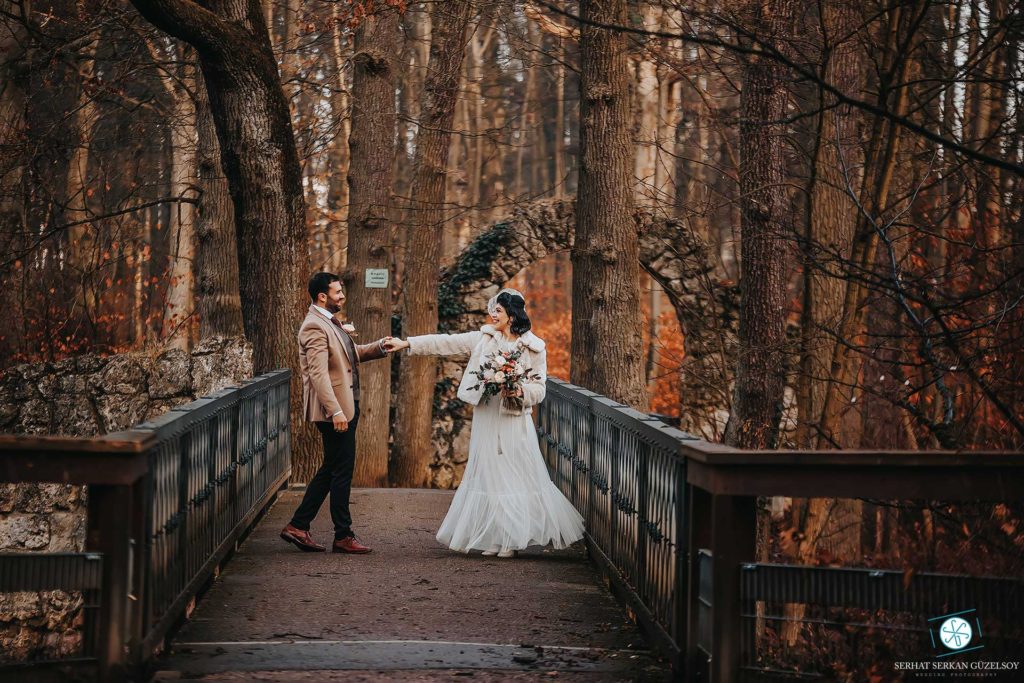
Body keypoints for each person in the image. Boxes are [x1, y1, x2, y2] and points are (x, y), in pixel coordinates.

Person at [384, 288, 584, 558]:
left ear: (512, 315)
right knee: (489, 474)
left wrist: (519, 391)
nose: (493, 314)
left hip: (513, 420)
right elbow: (446, 343)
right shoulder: (483, 339)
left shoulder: (534, 347)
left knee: (511, 475)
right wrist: (408, 344)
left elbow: (540, 389)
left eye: (498, 311)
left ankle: (511, 540)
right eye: (493, 310)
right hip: (487, 416)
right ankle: (496, 536)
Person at [279, 272, 391, 554]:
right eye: (338, 292)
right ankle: (343, 535)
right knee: (341, 471)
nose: (342, 296)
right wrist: (336, 412)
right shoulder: (314, 327)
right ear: (322, 296)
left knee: (331, 469)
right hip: (335, 411)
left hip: (344, 406)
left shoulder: (329, 322)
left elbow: (349, 357)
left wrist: (380, 347)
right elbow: (318, 375)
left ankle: (298, 525)